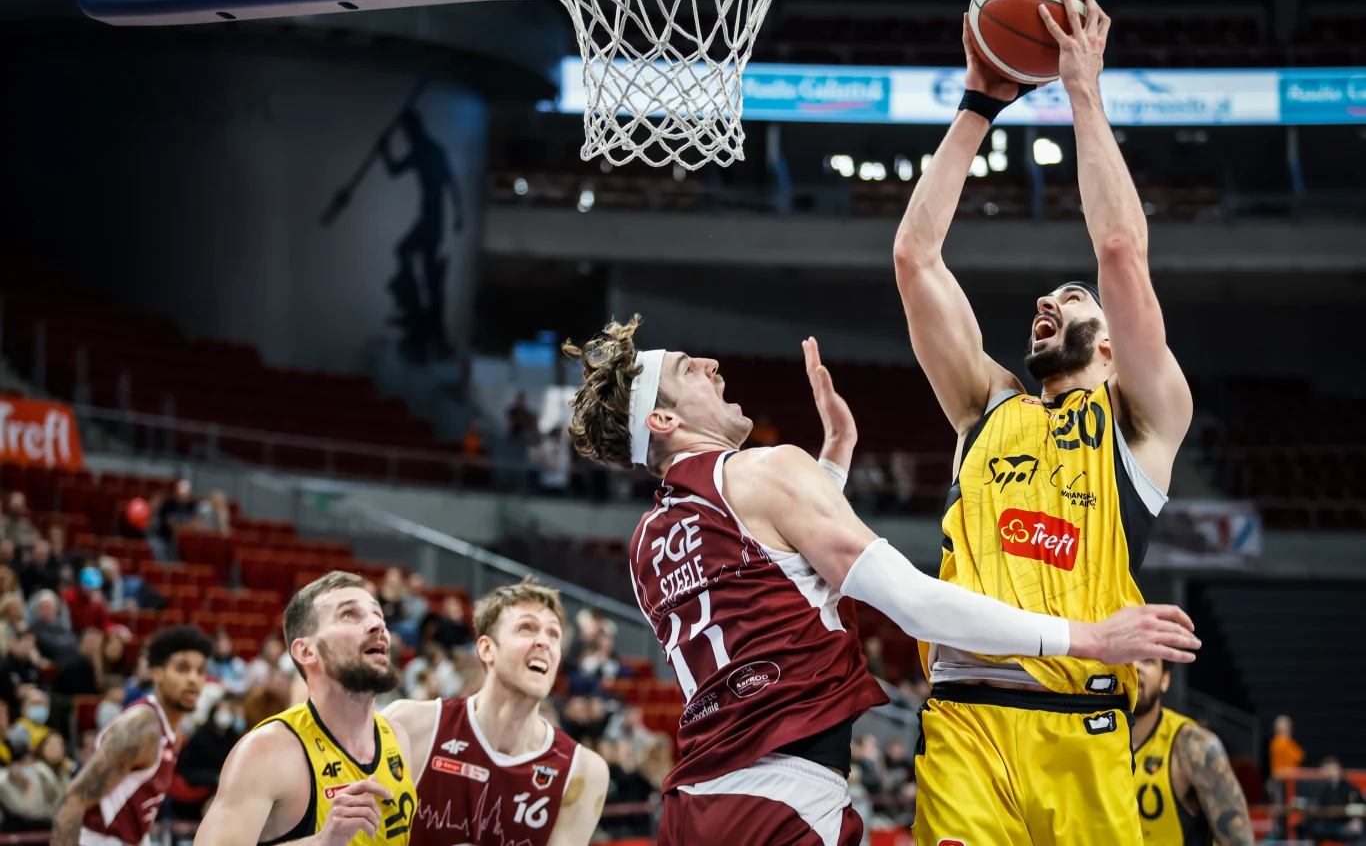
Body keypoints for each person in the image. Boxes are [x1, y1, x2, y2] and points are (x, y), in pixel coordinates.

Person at [559, 316, 1198, 846]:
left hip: (694, 803)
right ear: (663, 422)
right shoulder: (767, 469)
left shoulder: (648, 542)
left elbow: (775, 574)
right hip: (784, 800)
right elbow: (914, 604)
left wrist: (834, 456)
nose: (708, 364)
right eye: (685, 371)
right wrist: (1085, 639)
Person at [892, 0, 1198, 845]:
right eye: (1047, 295)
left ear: (1108, 351)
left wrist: (1082, 92)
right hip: (967, 727)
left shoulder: (1143, 422)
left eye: (1070, 300)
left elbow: (1119, 250)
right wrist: (978, 105)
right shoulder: (985, 406)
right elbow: (915, 257)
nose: (1046, 300)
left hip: (1083, 725)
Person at [193, 571, 417, 846]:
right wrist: (321, 842)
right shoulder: (266, 751)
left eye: (377, 614)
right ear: (306, 652)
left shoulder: (397, 737)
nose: (376, 624)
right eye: (349, 614)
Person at [384, 578, 609, 846]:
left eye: (553, 634)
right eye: (527, 628)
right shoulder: (409, 725)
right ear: (487, 649)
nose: (544, 642)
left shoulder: (583, 771)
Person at [49, 625, 212, 846]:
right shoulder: (140, 729)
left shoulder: (170, 730)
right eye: (182, 669)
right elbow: (73, 799)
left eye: (200, 671)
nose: (193, 679)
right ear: (157, 674)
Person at [1131, 658, 1253, 845]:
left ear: (1165, 679)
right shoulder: (1085, 743)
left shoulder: (1193, 746)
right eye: (1127, 658)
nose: (1136, 666)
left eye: (1147, 661)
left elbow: (1240, 841)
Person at [1301, 756, 1366, 846]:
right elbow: (1317, 804)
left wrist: (1356, 819)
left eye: (1330, 769)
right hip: (1325, 823)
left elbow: (1360, 805)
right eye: (1326, 769)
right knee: (1306, 826)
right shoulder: (1321, 786)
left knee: (1355, 832)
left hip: (1344, 823)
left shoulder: (1349, 787)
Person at [1269, 714, 1304, 781]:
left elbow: (1299, 757)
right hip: (1282, 781)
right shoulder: (1277, 744)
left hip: (1292, 780)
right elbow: (1277, 771)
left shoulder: (1290, 743)